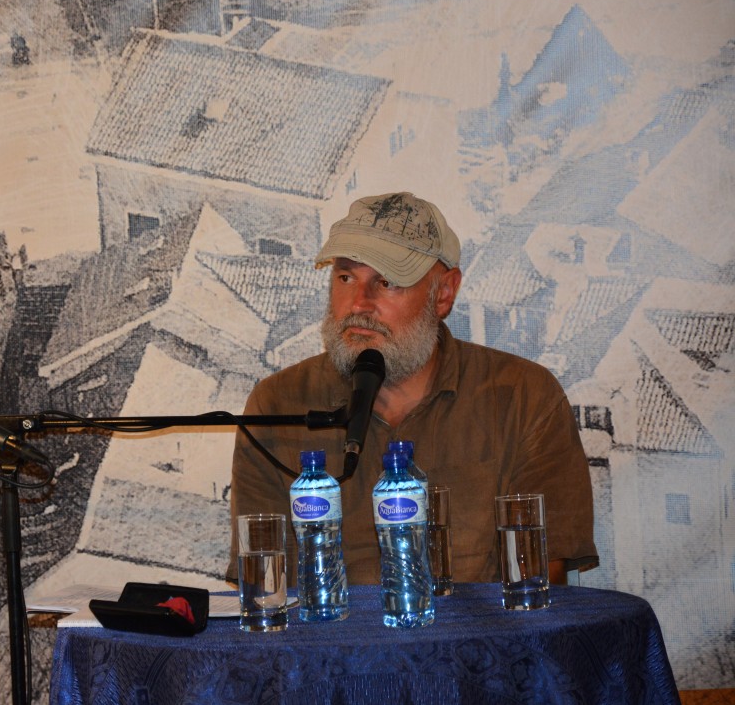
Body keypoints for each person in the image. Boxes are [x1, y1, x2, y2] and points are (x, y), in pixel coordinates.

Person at [228, 192, 598, 586]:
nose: (359, 304)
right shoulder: (277, 405)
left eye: (387, 281)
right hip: (331, 628)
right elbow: (262, 587)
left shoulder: (523, 397)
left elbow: (541, 587)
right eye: (345, 277)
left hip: (477, 628)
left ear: (444, 293)